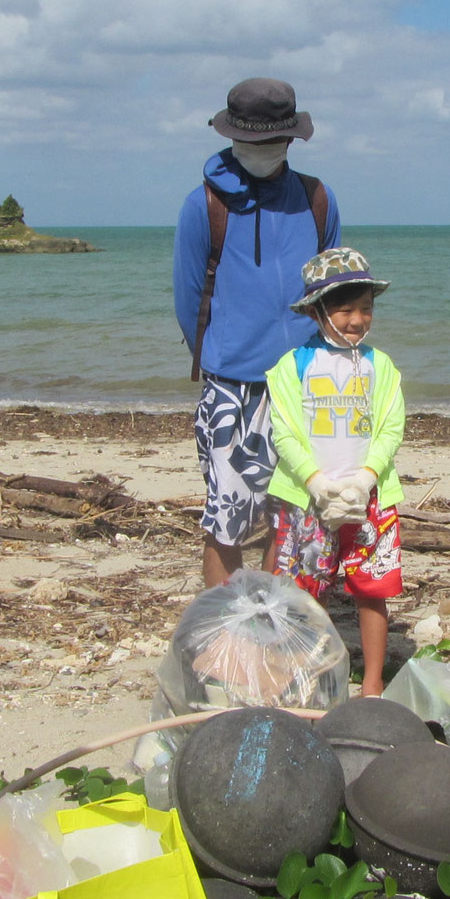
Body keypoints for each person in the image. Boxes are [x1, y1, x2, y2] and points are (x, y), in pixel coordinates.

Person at [173, 78, 339, 588]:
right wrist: (228, 353)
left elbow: (331, 293)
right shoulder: (203, 205)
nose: (261, 153)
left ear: (290, 140)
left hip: (305, 383)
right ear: (230, 138)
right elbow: (186, 300)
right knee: (226, 522)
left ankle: (271, 628)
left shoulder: (317, 199)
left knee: (291, 519)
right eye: (250, 143)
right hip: (231, 385)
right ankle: (226, 634)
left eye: (272, 142)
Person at [264, 248, 406, 694]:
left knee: (372, 589)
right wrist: (316, 482)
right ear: (317, 310)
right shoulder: (293, 366)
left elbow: (391, 427)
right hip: (308, 499)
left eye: (366, 309)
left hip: (372, 499)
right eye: (344, 309)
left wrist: (366, 479)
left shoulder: (380, 366)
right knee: (302, 592)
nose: (356, 320)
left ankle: (373, 684)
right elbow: (284, 432)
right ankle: (297, 674)